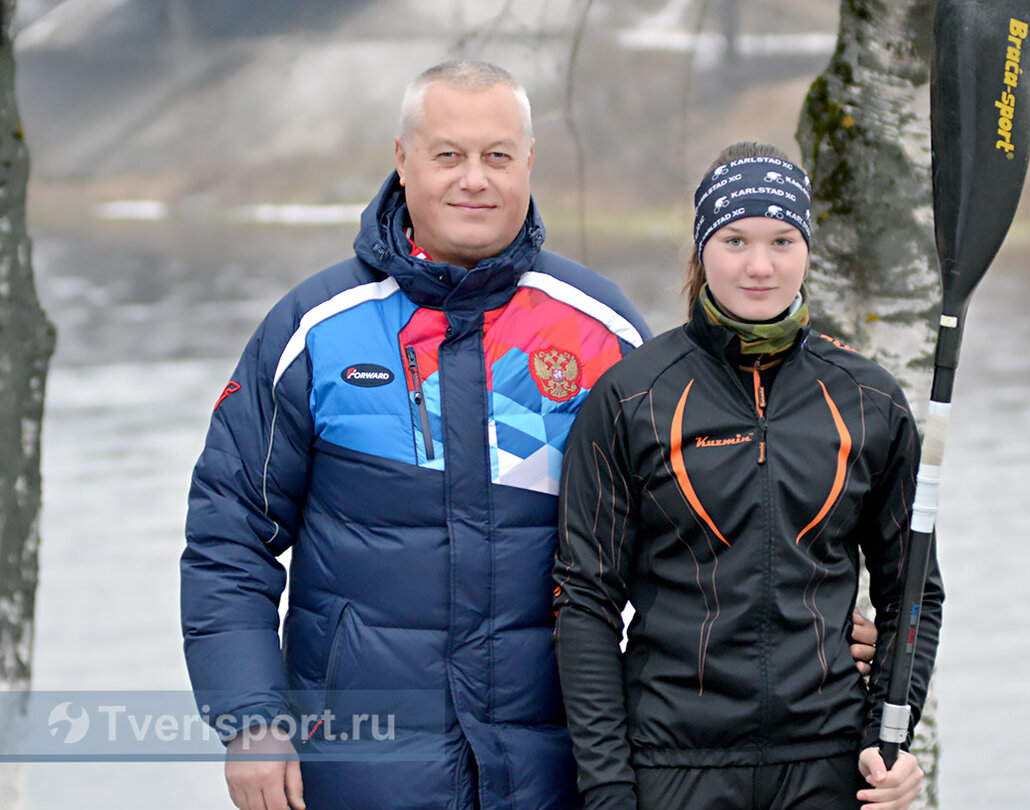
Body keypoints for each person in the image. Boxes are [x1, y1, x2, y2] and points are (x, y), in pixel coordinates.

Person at [181, 61, 879, 810]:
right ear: (403, 158)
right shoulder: (315, 330)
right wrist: (251, 720)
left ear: (529, 163)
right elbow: (229, 537)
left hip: (557, 769)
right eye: (448, 155)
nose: (473, 179)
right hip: (361, 768)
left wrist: (820, 622)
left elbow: (696, 540)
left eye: (498, 156)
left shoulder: (599, 332)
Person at [553, 141, 944, 810]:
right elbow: (583, 602)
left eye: (781, 240)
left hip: (827, 763)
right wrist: (609, 787)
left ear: (807, 249)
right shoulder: (633, 399)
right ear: (703, 247)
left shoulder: (868, 401)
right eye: (735, 239)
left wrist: (891, 738)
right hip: (671, 763)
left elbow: (913, 592)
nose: (759, 265)